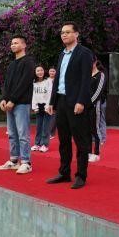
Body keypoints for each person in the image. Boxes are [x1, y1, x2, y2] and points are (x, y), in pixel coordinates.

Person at [46, 22, 93, 190]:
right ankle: (64, 172)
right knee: (63, 140)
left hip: (76, 102)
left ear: (76, 34)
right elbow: (57, 80)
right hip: (61, 101)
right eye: (62, 33)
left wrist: (81, 101)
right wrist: (52, 101)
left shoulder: (84, 53)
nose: (64, 35)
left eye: (67, 32)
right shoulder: (62, 54)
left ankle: (81, 175)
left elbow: (86, 80)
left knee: (80, 140)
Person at [0, 35, 35, 174]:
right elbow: (7, 84)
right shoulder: (12, 64)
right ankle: (14, 160)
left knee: (22, 134)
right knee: (12, 133)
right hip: (9, 103)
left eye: (16, 43)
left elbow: (24, 83)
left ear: (24, 45)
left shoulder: (29, 61)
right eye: (12, 43)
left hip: (21, 103)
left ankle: (26, 162)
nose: (13, 45)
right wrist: (3, 98)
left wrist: (12, 100)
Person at [88, 59, 107, 163]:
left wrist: (90, 102)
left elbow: (98, 92)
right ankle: (88, 152)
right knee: (86, 130)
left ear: (95, 62)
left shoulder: (100, 75)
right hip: (84, 106)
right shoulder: (86, 75)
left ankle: (96, 153)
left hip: (95, 105)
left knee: (95, 128)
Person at [32, 65, 53, 153]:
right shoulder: (34, 82)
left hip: (46, 106)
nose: (40, 72)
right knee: (38, 126)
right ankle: (37, 144)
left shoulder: (48, 81)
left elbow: (50, 94)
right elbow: (33, 95)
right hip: (38, 106)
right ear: (35, 72)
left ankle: (44, 144)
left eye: (41, 70)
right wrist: (34, 106)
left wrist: (47, 106)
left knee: (45, 127)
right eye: (38, 71)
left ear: (44, 71)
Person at [48, 67, 58, 139]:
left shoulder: (57, 80)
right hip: (46, 100)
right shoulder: (46, 80)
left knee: (54, 117)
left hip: (55, 100)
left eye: (53, 71)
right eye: (50, 71)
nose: (52, 72)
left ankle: (51, 133)